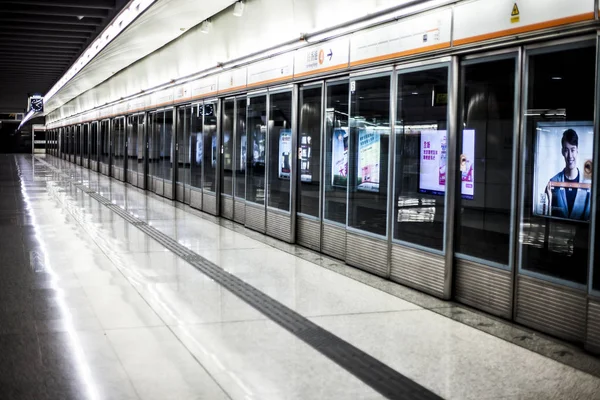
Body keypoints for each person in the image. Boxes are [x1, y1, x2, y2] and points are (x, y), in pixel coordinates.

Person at [545, 129, 591, 220]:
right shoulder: (553, 182)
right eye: (566, 150)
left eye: (572, 150)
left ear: (577, 150)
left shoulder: (587, 184)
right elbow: (547, 217)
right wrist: (549, 201)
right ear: (562, 152)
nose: (570, 156)